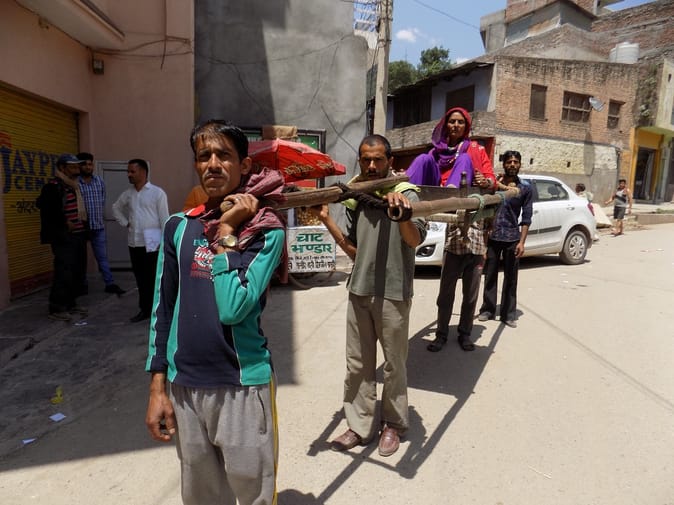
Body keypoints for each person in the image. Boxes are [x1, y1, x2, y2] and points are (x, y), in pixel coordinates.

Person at [145, 120, 286, 505]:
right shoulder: (178, 227)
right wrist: (158, 388)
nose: (212, 164)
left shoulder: (264, 230)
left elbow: (234, 308)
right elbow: (162, 309)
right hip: (185, 386)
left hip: (242, 383)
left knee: (254, 494)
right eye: (204, 156)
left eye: (224, 155)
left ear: (244, 165)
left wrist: (226, 232)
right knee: (202, 497)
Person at [309, 134, 426, 457]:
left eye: (378, 159)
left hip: (393, 291)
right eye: (366, 159)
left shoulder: (407, 193)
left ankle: (394, 424)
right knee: (358, 364)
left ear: (390, 161)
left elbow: (414, 240)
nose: (371, 165)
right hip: (359, 289)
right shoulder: (356, 196)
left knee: (394, 364)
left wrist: (402, 215)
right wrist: (326, 219)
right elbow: (354, 250)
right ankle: (360, 425)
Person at [406, 106, 496, 352]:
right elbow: (429, 168)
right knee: (445, 294)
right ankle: (441, 335)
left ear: (466, 126)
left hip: (475, 239)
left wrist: (485, 181)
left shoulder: (474, 150)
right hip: (453, 240)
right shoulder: (437, 150)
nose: (455, 125)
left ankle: (465, 334)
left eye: (460, 122)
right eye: (452, 121)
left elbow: (492, 180)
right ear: (446, 124)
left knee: (470, 295)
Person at [478, 150, 533, 328]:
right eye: (509, 161)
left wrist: (522, 242)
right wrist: (484, 242)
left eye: (515, 162)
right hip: (493, 236)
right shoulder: (495, 184)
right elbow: (485, 211)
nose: (512, 164)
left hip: (512, 237)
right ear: (504, 164)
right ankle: (488, 309)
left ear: (520, 164)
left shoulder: (525, 188)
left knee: (511, 278)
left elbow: (527, 217)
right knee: (490, 275)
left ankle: (508, 314)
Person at [112, 158, 169, 322]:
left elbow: (164, 218)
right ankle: (144, 309)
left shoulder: (157, 193)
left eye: (132, 171)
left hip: (153, 240)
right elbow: (115, 207)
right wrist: (125, 222)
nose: (129, 174)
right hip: (134, 241)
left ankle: (158, 310)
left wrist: (165, 243)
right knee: (140, 278)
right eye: (128, 171)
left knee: (154, 277)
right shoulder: (128, 194)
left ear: (143, 172)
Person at [36, 154, 89, 321]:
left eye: (77, 166)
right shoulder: (53, 187)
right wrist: (65, 222)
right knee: (64, 271)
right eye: (72, 167)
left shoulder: (74, 186)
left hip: (78, 234)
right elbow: (47, 209)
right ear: (62, 168)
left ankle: (71, 303)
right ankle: (57, 307)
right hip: (64, 236)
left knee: (76, 271)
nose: (76, 170)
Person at [77, 152, 125, 296]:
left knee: (102, 258)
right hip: (81, 228)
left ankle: (109, 283)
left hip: (98, 227)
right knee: (80, 259)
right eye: (84, 164)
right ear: (79, 166)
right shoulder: (75, 183)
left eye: (90, 164)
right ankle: (82, 285)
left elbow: (102, 201)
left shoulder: (99, 181)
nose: (88, 167)